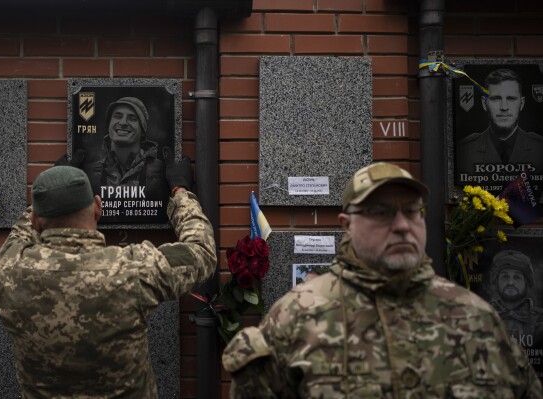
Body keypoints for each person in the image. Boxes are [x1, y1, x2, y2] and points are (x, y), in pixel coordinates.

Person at [222, 162, 542, 398]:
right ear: (347, 225)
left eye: (412, 211)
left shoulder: (477, 317)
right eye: (382, 212)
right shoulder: (295, 318)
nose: (403, 225)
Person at [0, 158, 216, 398]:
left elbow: (21, 233)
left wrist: (54, 187)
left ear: (36, 219)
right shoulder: (133, 270)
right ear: (98, 207)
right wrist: (180, 192)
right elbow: (202, 252)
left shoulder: (8, 270)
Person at [456, 68, 543, 177]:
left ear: (521, 103)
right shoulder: (464, 151)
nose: (504, 107)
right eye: (496, 98)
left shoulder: (539, 148)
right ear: (484, 103)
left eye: (511, 98)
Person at [80, 96, 170, 201]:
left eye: (132, 118)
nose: (123, 122)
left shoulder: (163, 172)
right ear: (108, 126)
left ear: (143, 130)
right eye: (117, 116)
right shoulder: (87, 173)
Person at [489, 249, 543, 344]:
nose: (510, 282)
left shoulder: (540, 321)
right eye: (505, 277)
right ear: (496, 281)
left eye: (517, 277)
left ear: (526, 282)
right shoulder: (483, 315)